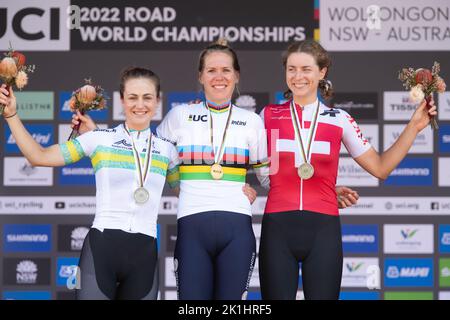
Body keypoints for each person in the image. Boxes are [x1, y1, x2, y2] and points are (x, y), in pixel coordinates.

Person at [74, 39, 359, 300]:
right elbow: (145, 152)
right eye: (211, 70)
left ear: (236, 76)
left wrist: (316, 191)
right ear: (200, 76)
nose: (219, 77)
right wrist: (97, 134)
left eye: (226, 70)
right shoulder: (179, 115)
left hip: (237, 230)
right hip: (191, 227)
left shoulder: (253, 121)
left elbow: (269, 177)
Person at [258, 39, 437, 300]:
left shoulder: (339, 119)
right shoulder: (267, 115)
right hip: (277, 230)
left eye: (306, 69)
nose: (298, 76)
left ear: (322, 72)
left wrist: (414, 127)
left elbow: (381, 168)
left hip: (323, 231)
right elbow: (265, 175)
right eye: (292, 69)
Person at [0, 67, 180, 300]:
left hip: (144, 255)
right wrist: (11, 115)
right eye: (132, 97)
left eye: (147, 97)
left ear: (158, 100)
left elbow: (185, 193)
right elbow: (40, 156)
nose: (140, 105)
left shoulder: (168, 150)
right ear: (122, 100)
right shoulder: (99, 140)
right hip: (101, 251)